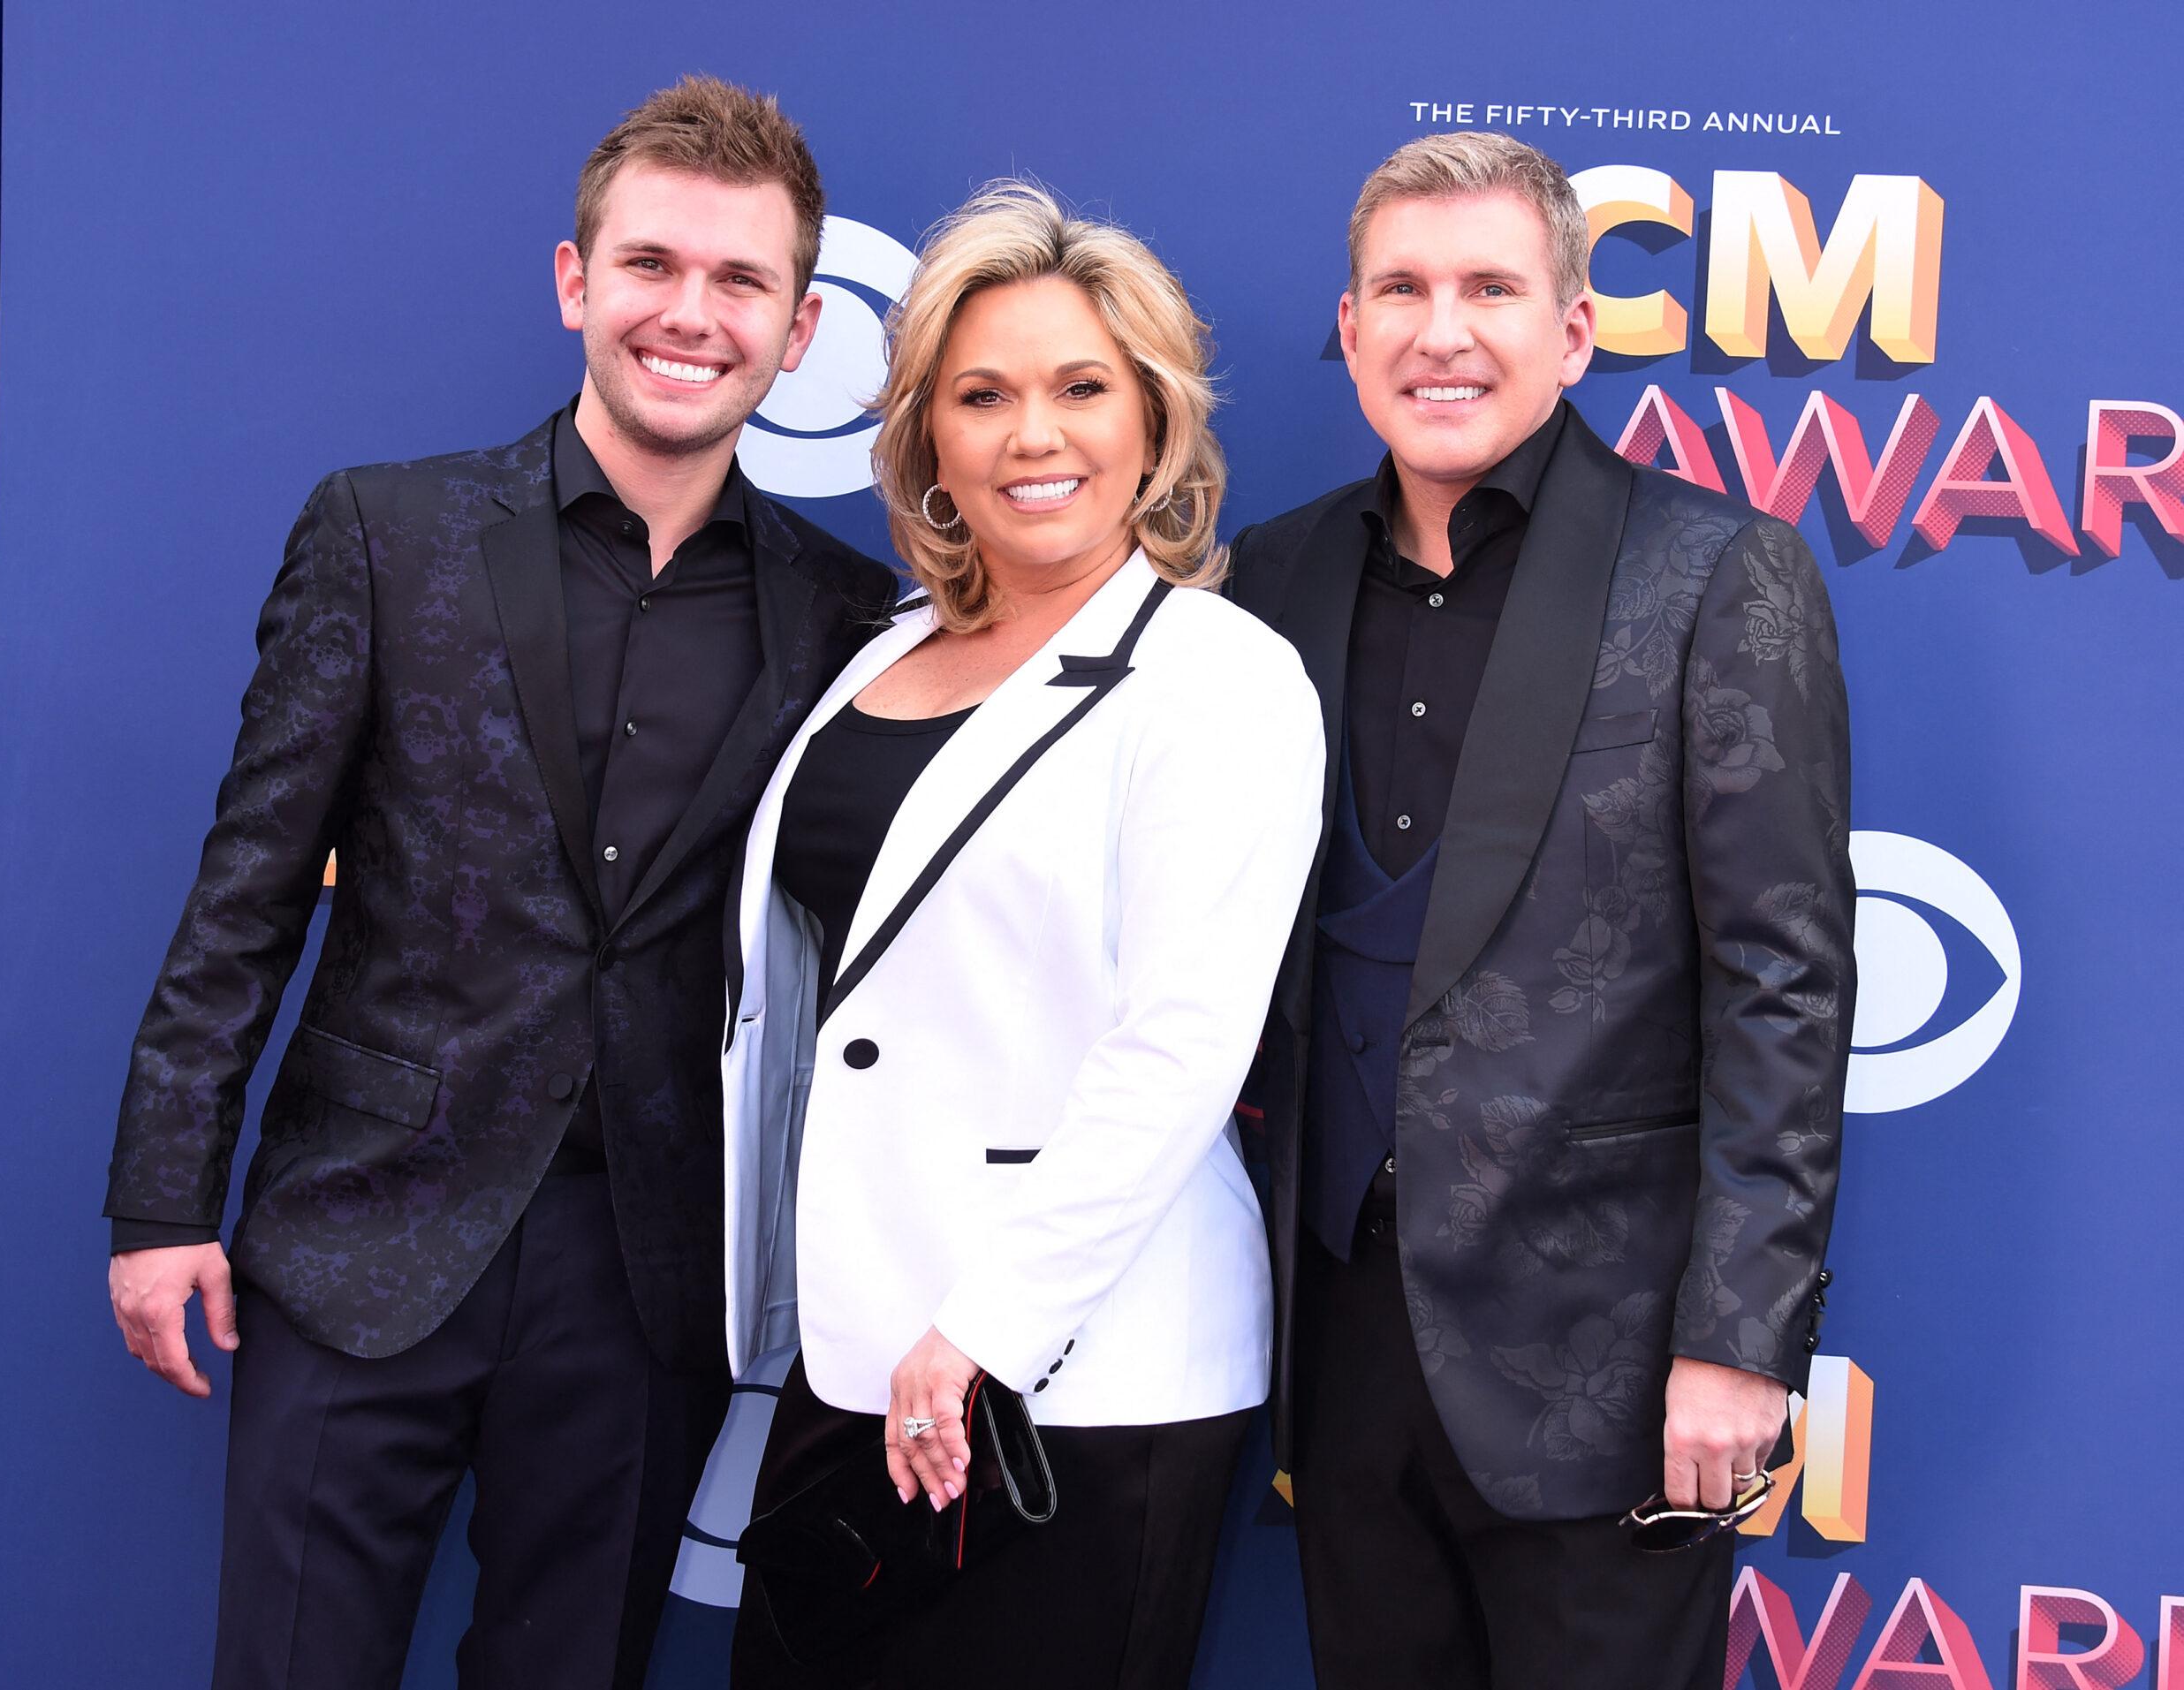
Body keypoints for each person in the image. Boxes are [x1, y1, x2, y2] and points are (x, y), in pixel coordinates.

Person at [102, 77, 892, 1690]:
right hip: (358, 1236)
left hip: (647, 1271)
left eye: (741, 282)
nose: (693, 314)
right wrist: (161, 1199)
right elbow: (249, 885)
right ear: (573, 282)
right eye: (655, 265)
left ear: (801, 329)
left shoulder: (846, 610)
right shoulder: (388, 533)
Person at [1227, 132, 1854, 1689]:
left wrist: (1739, 1335)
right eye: (1404, 289)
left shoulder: (1720, 573)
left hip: (1615, 1358)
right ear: (1354, 327)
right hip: (1339, 1345)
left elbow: (1783, 979)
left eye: (1491, 287)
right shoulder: (1267, 581)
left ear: (1574, 329)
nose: (1444, 330)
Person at [721, 180, 1323, 1687]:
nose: (1032, 434)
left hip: (1073, 1373)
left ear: (1157, 422)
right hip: (857, 1345)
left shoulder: (1217, 677)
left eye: (1081, 388)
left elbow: (1181, 1043)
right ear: (928, 433)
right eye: (983, 394)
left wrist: (985, 1328)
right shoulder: (888, 651)